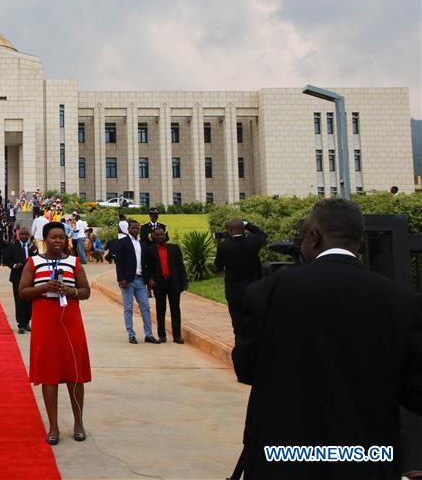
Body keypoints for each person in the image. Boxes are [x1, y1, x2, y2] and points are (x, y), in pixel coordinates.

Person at [232, 199, 422, 479]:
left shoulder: (268, 292)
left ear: (313, 236)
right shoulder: (402, 302)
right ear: (358, 244)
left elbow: (246, 368)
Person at [19, 222, 91, 445]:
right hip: (45, 322)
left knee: (74, 372)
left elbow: (86, 291)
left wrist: (71, 291)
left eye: (61, 237)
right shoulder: (34, 262)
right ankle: (53, 426)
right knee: (49, 373)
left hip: (70, 321)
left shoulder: (74, 263)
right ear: (45, 239)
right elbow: (23, 292)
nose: (58, 241)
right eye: (54, 237)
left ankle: (78, 422)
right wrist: (44, 288)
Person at [214, 218, 267, 336]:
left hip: (234, 292)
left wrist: (221, 269)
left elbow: (218, 265)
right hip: (254, 289)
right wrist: (247, 224)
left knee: (237, 324)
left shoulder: (223, 246)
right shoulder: (253, 242)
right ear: (243, 230)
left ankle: (240, 348)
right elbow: (262, 234)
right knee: (253, 323)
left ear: (230, 230)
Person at [113, 220, 159, 344]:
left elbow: (146, 263)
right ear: (128, 229)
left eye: (137, 228)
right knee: (128, 308)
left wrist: (149, 278)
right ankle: (131, 334)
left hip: (140, 280)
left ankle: (148, 335)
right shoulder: (122, 243)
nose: (135, 230)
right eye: (133, 228)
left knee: (145, 307)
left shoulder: (142, 243)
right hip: (127, 280)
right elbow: (119, 262)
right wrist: (121, 278)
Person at [142, 228, 188, 344]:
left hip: (173, 283)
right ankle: (162, 335)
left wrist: (184, 282)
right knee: (160, 310)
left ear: (165, 235)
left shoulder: (174, 248)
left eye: (162, 235)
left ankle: (177, 336)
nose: (160, 237)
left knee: (175, 310)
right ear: (153, 236)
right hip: (159, 283)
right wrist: (148, 280)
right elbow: (146, 267)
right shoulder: (149, 250)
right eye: (157, 235)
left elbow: (180, 266)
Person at [4, 228, 37, 334]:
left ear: (29, 235)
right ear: (18, 235)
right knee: (19, 301)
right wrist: (14, 265)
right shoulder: (13, 246)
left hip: (31, 278)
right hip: (17, 277)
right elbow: (6, 259)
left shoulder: (32, 247)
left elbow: (38, 258)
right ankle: (21, 324)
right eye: (21, 234)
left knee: (29, 301)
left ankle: (27, 322)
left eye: (26, 234)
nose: (24, 236)